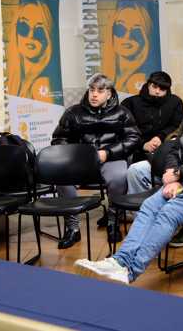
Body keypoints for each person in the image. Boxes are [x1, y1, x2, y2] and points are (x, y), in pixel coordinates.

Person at [74, 60, 183, 284]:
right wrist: (173, 177)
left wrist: (179, 174)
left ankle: (130, 272)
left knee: (170, 212)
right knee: (149, 206)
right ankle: (119, 261)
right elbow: (174, 147)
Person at [51, 73, 141, 248]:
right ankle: (72, 228)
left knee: (119, 176)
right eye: (92, 90)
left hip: (111, 159)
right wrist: (75, 156)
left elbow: (134, 138)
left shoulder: (122, 112)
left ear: (109, 93)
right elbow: (59, 139)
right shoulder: (73, 112)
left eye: (100, 90)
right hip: (80, 161)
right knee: (61, 176)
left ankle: (113, 221)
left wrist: (108, 153)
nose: (94, 94)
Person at [122, 71, 183, 192]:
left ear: (167, 89)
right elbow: (126, 131)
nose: (157, 91)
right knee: (135, 171)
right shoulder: (130, 103)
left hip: (167, 150)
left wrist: (161, 137)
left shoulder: (175, 102)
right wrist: (143, 145)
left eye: (162, 89)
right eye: (154, 87)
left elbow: (177, 126)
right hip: (138, 151)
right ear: (148, 84)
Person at [6, 2, 56, 103]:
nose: (31, 35)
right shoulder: (15, 79)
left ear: (48, 38)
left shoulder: (41, 84)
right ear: (15, 29)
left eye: (39, 30)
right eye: (24, 26)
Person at [103, 4, 153, 95]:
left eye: (136, 31)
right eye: (120, 29)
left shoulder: (140, 80)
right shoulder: (107, 75)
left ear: (145, 38)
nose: (127, 36)